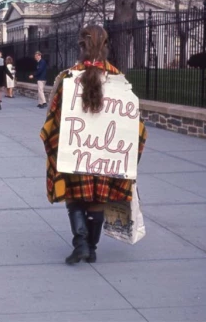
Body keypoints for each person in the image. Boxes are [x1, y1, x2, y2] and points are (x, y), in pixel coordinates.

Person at [39, 25, 148, 265]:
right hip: (106, 157)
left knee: (75, 198)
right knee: (98, 200)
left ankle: (81, 245)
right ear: (106, 46)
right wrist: (127, 157)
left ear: (81, 47)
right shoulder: (119, 80)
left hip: (74, 154)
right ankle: (92, 248)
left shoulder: (67, 78)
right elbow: (137, 129)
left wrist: (55, 147)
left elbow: (53, 122)